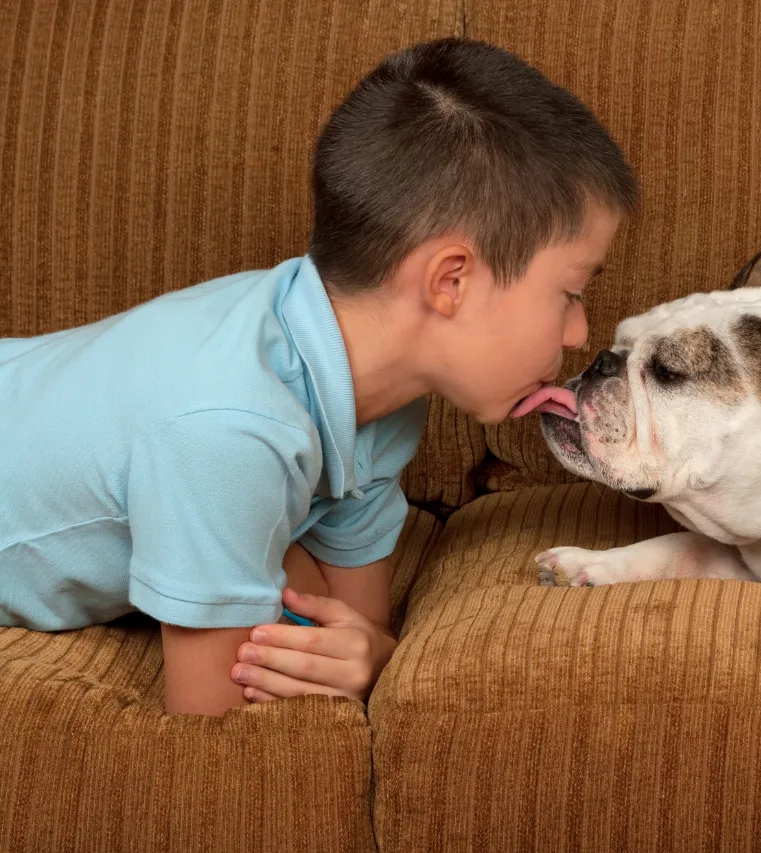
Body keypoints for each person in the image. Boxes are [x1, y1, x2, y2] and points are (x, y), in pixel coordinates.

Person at [0, 38, 636, 716]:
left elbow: (350, 625)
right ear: (450, 281)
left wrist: (377, 658)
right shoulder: (228, 432)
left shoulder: (381, 397)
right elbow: (213, 723)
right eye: (570, 293)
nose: (579, 334)